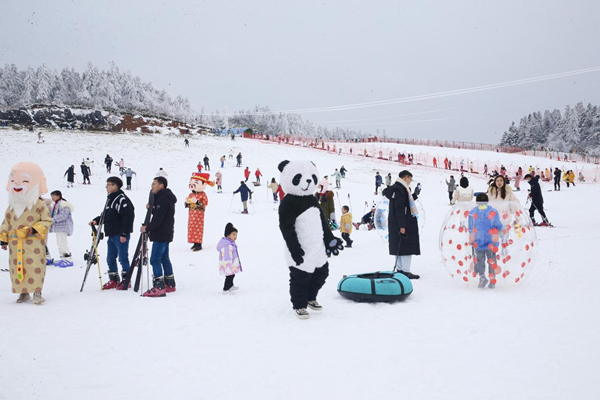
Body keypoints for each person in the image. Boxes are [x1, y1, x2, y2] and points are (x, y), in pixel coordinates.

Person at [0, 162, 53, 304]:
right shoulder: (12, 206)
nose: (18, 185)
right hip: (15, 243)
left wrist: (35, 228)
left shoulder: (40, 205)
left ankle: (37, 291)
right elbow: (6, 222)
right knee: (17, 268)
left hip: (33, 243)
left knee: (34, 266)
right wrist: (4, 239)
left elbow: (47, 220)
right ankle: (23, 292)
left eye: (24, 181)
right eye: (14, 181)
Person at [90, 177, 135, 290]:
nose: (107, 187)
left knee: (123, 258)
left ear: (115, 186)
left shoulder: (122, 200)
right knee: (110, 258)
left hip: (120, 234)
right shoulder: (110, 199)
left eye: (108, 185)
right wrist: (97, 220)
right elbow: (106, 215)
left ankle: (126, 279)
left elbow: (128, 217)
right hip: (111, 234)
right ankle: (114, 279)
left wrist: (124, 233)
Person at [141, 176, 178, 297]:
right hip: (166, 232)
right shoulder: (165, 198)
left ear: (161, 185)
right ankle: (170, 283)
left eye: (154, 184)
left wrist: (147, 228)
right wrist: (151, 208)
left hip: (161, 233)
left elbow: (159, 218)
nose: (152, 186)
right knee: (164, 258)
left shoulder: (162, 199)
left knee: (155, 259)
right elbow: (161, 213)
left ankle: (159, 286)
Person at [382, 170, 421, 279]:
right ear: (405, 178)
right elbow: (400, 209)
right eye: (410, 178)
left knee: (400, 247)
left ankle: (400, 269)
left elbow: (404, 203)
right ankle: (405, 270)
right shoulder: (400, 190)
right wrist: (402, 226)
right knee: (406, 247)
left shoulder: (399, 189)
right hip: (402, 222)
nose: (410, 181)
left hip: (397, 222)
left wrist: (415, 195)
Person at [468, 193, 503, 289]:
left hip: (488, 242)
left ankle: (490, 278)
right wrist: (471, 237)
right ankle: (484, 278)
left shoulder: (490, 211)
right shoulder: (474, 212)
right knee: (482, 261)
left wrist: (500, 232)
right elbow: (471, 228)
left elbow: (498, 224)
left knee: (487, 261)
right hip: (481, 242)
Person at [48, 190, 74, 267]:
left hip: (63, 226)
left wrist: (53, 219)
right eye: (51, 196)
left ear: (58, 196)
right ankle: (63, 258)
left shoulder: (63, 204)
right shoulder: (56, 204)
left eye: (54, 196)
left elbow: (63, 215)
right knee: (59, 243)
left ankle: (68, 258)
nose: (52, 198)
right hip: (59, 227)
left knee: (62, 243)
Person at [217, 223, 242, 293]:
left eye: (236, 234)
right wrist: (228, 264)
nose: (235, 237)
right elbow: (225, 254)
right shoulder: (226, 243)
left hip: (232, 262)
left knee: (232, 274)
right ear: (228, 235)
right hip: (228, 263)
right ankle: (226, 288)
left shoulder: (230, 242)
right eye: (233, 234)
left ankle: (231, 286)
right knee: (229, 276)